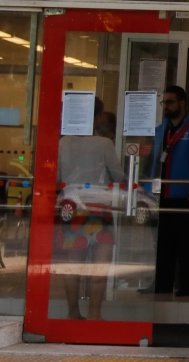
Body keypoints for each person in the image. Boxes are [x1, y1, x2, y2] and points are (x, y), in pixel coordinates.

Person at [55, 99, 125, 320]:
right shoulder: (104, 144)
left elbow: (56, 177)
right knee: (100, 263)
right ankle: (95, 313)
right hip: (98, 207)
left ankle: (73, 313)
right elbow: (118, 176)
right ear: (96, 117)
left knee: (72, 263)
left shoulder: (63, 143)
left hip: (71, 207)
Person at [148, 85, 189, 296]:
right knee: (164, 244)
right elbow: (151, 160)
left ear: (182, 104)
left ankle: (187, 286)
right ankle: (162, 285)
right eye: (164, 103)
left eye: (170, 102)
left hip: (187, 197)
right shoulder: (161, 130)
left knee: (187, 244)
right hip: (163, 196)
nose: (166, 107)